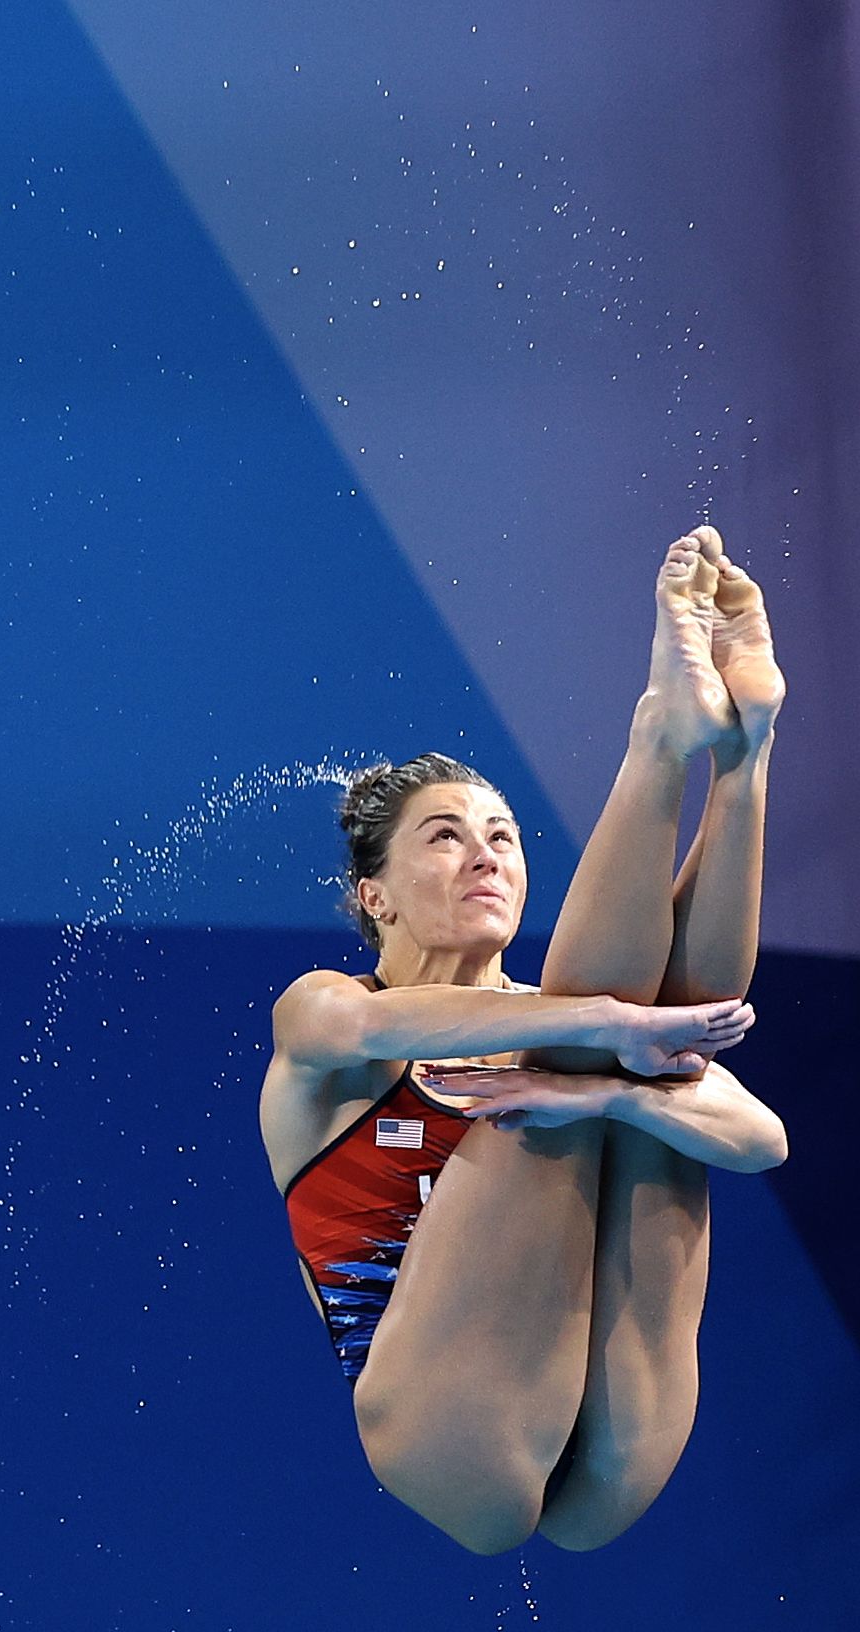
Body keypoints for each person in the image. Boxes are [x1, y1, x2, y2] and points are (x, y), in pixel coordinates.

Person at [261, 527, 788, 1554]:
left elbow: (762, 1138)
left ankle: (743, 753)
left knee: (621, 1065)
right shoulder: (326, 1006)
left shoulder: (589, 1020)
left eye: (502, 834)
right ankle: (663, 737)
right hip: (442, 1436)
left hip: (616, 1450)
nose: (485, 855)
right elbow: (373, 1024)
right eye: (445, 835)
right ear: (373, 895)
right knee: (588, 1040)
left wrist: (617, 1092)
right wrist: (602, 1031)